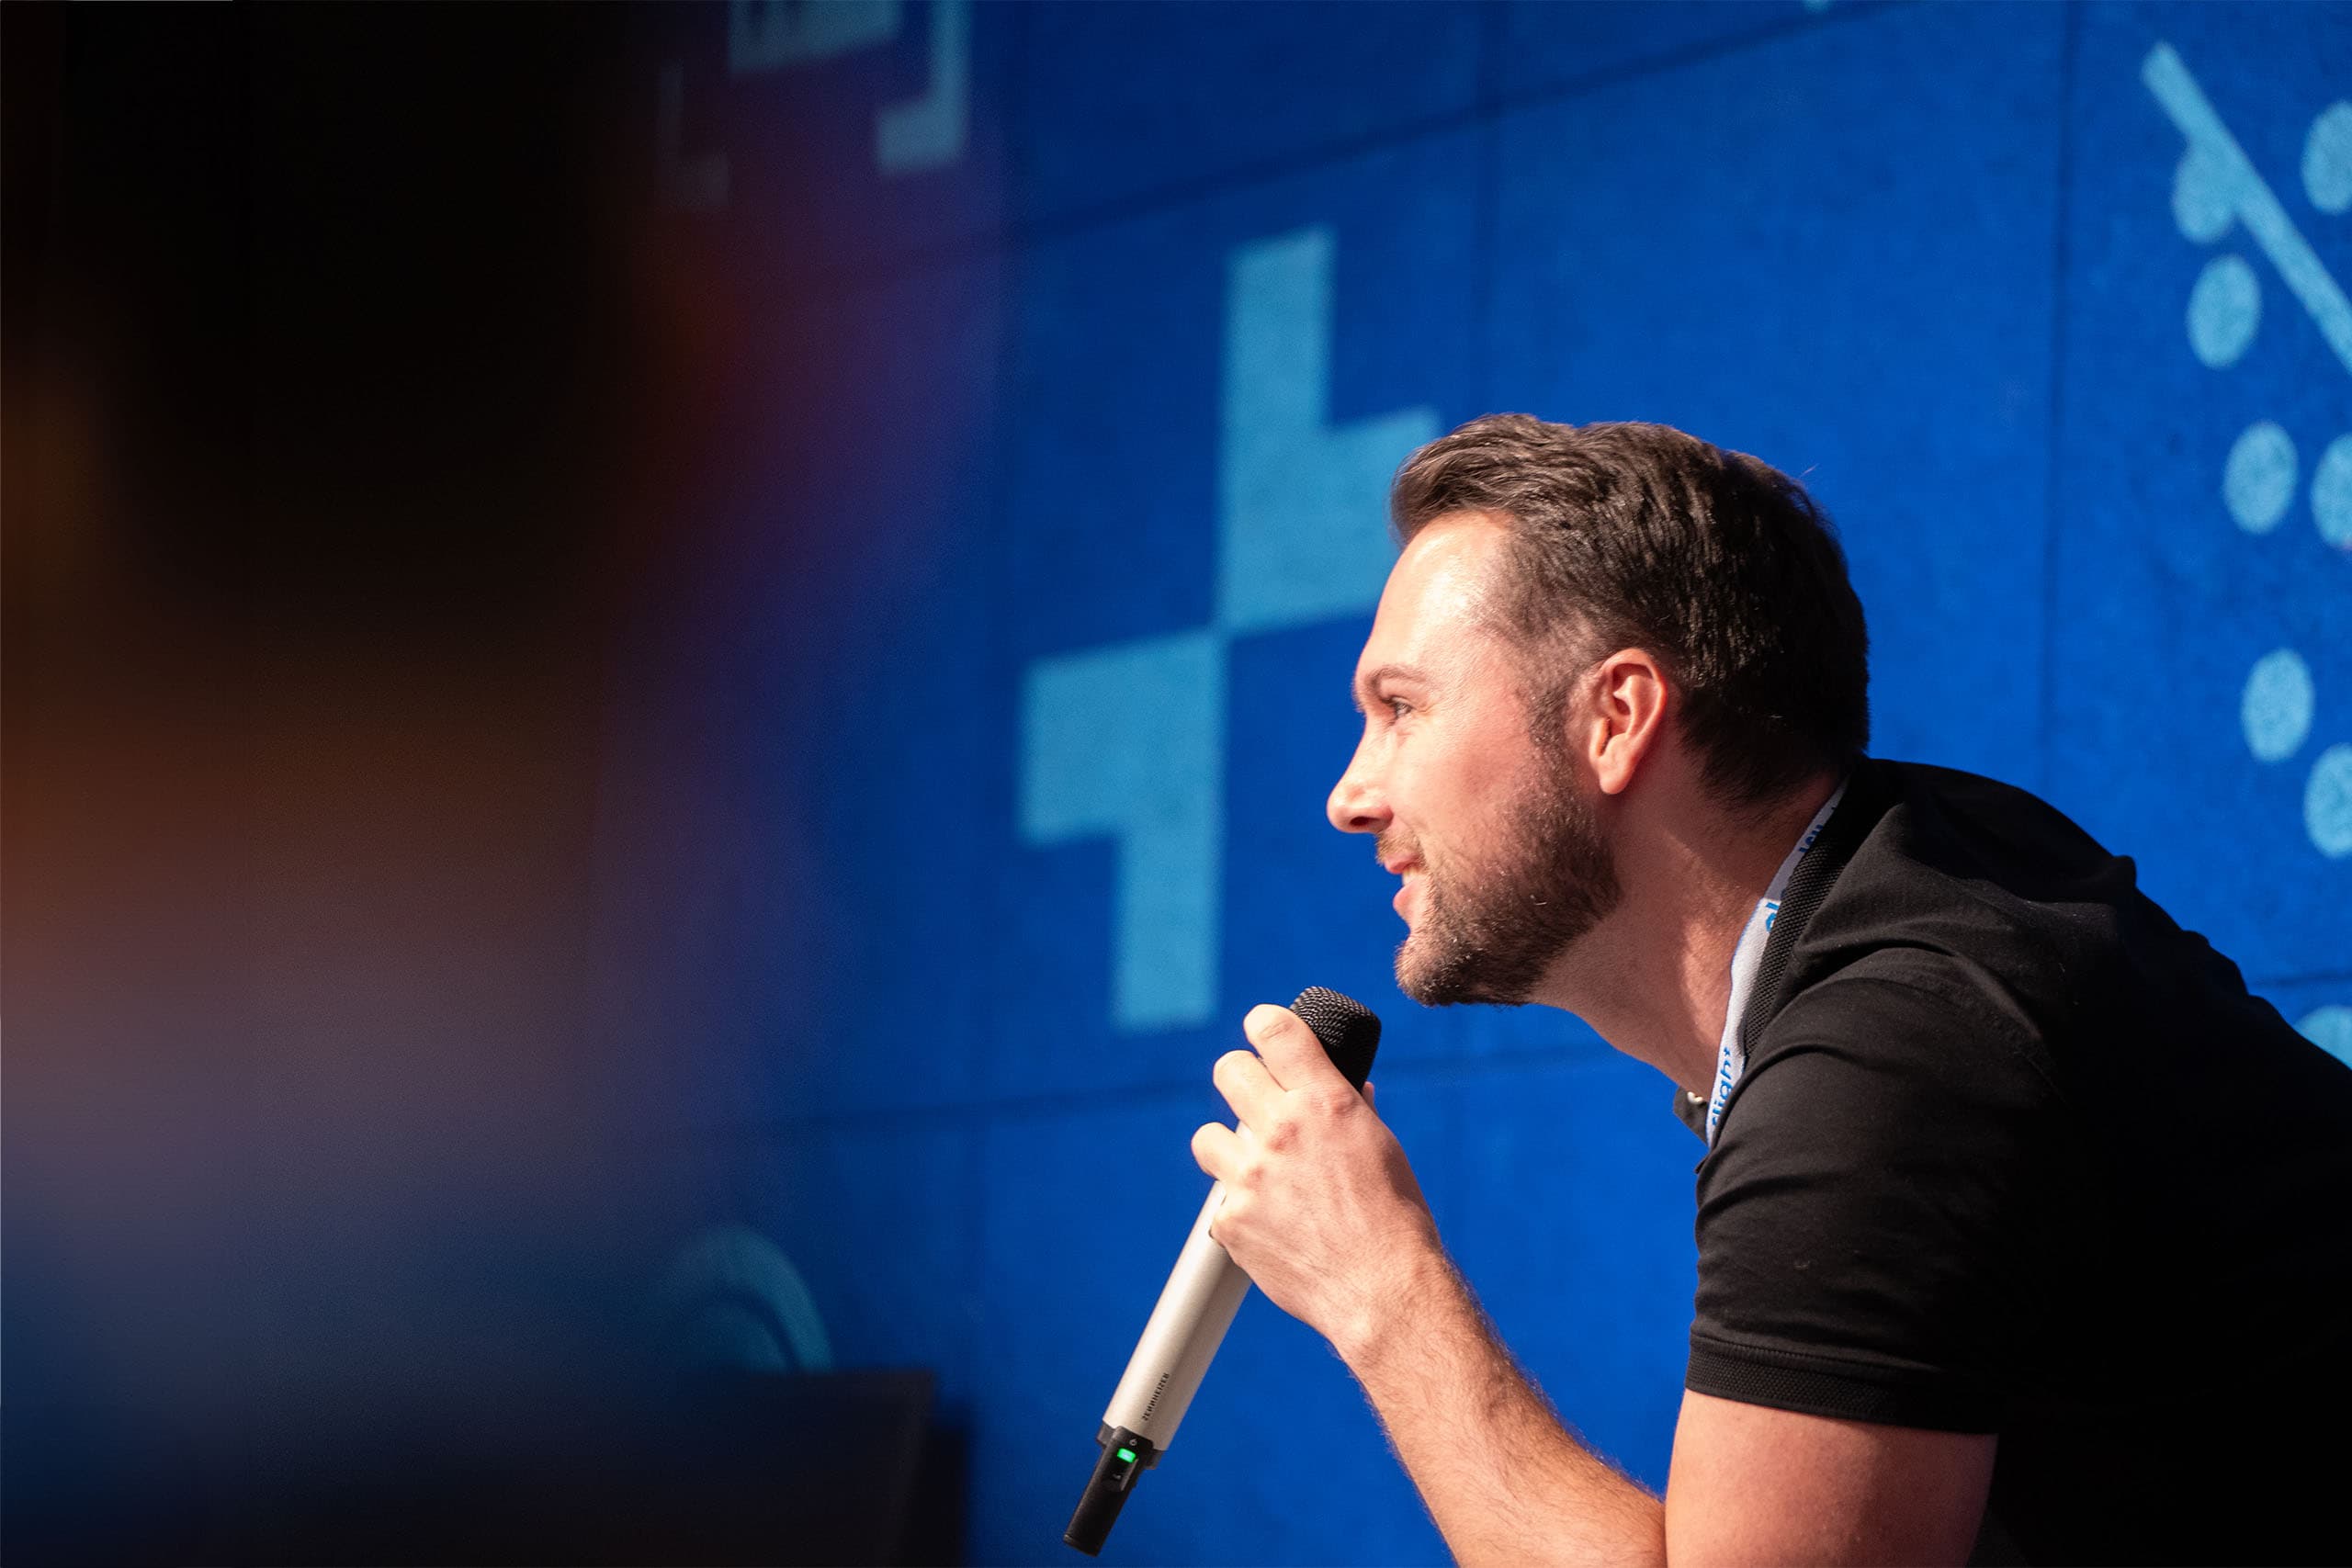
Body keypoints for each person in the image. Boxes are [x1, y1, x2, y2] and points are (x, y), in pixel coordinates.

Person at [1189, 416, 2352, 1566]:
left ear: (1617, 717)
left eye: (1401, 708)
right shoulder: (1941, 871)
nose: (1351, 794)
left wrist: (1378, 1285)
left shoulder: (1893, 1052)